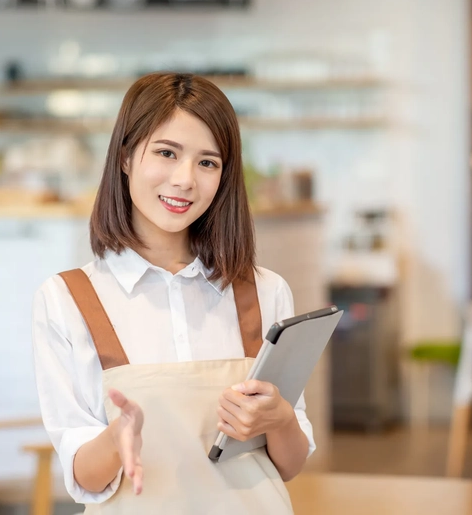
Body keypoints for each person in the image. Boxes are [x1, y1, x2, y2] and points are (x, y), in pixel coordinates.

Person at [32, 72, 314, 514]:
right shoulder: (67, 299)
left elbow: (290, 464)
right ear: (125, 157)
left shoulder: (266, 290)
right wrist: (117, 436)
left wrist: (279, 418)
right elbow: (83, 476)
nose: (184, 180)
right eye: (166, 153)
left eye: (208, 162)